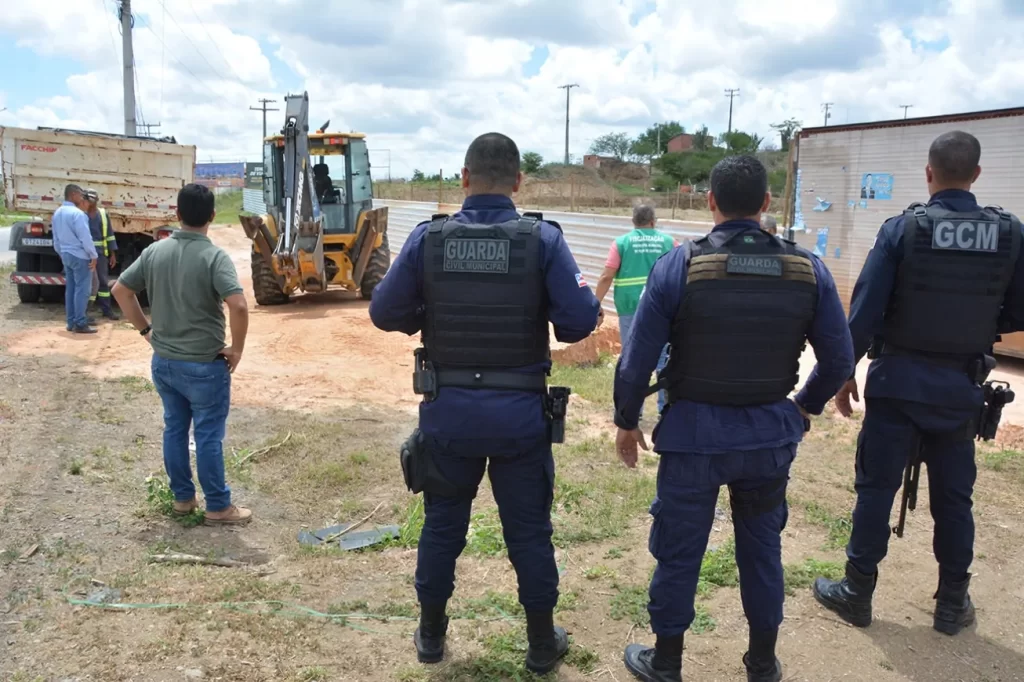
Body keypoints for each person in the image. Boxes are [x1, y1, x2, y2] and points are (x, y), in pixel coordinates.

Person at [613, 155, 854, 682]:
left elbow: (636, 358)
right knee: (763, 550)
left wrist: (626, 420)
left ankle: (668, 662)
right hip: (768, 439)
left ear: (710, 202)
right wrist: (804, 407)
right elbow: (839, 358)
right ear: (767, 203)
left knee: (679, 551)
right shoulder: (806, 268)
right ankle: (762, 664)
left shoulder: (681, 265)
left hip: (694, 437)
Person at [369, 132, 600, 674]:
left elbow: (384, 312)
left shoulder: (430, 239)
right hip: (521, 421)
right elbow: (577, 322)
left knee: (442, 525)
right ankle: (542, 644)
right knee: (529, 534)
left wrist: (424, 313)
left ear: (463, 178)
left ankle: (431, 636)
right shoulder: (542, 240)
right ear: (519, 183)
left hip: (449, 417)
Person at [812, 131, 1024, 637]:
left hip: (897, 387)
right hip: (959, 391)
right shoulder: (1009, 233)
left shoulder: (903, 230)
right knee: (954, 500)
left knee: (875, 490)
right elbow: (1016, 312)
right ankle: (952, 603)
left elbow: (862, 317)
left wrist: (844, 373)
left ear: (929, 174)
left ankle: (857, 592)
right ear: (975, 175)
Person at [111, 183, 252, 526]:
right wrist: (236, 349)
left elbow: (121, 290)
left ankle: (183, 500)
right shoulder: (214, 257)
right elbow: (239, 306)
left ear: (177, 214)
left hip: (165, 363)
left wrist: (146, 331)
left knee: (174, 429)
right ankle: (218, 506)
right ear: (213, 217)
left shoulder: (155, 252)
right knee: (207, 436)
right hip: (204, 364)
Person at [594, 202, 676, 417]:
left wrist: (595, 304)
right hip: (663, 307)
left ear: (633, 222)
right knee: (664, 359)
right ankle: (665, 410)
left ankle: (631, 412)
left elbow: (606, 276)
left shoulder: (621, 243)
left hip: (630, 306)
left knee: (632, 358)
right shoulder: (669, 242)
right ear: (653, 221)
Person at [51, 184, 99, 334]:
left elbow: (56, 240)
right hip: (80, 256)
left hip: (66, 255)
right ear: (72, 195)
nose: (82, 198)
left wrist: (62, 253)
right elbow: (85, 237)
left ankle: (70, 322)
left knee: (70, 289)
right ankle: (80, 323)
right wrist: (93, 255)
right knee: (82, 290)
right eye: (80, 195)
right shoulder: (78, 214)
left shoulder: (57, 213)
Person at [83, 189, 120, 320]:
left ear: (96, 201)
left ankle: (106, 310)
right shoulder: (81, 214)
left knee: (103, 282)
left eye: (92, 200)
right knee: (88, 283)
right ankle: (85, 311)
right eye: (88, 200)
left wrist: (112, 253)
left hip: (100, 254)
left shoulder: (103, 214)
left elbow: (110, 235)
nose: (90, 203)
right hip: (85, 254)